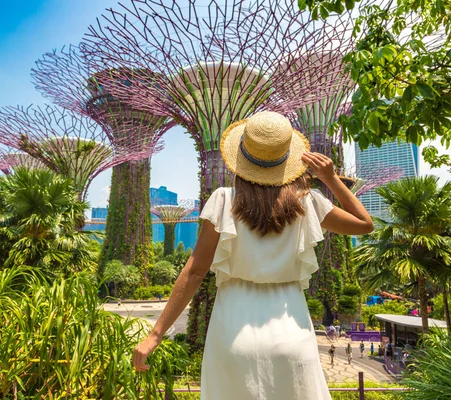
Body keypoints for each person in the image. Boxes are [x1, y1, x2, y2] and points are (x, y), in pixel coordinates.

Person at [131, 111, 374, 399]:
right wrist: (331, 179)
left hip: (232, 333)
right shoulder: (307, 203)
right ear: (289, 161)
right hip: (292, 335)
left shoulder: (223, 200)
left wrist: (155, 335)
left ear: (241, 160)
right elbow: (365, 225)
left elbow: (195, 271)